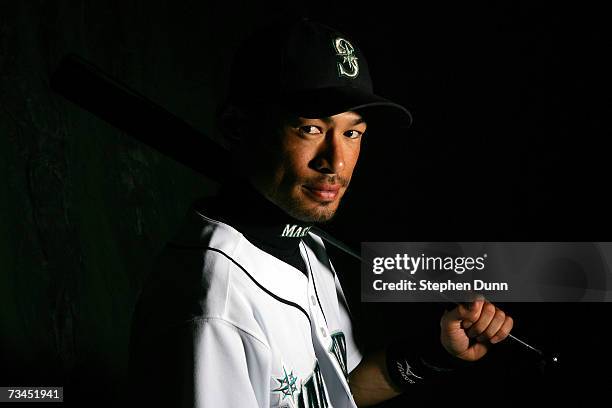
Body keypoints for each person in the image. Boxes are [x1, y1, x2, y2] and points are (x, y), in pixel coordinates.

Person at [127, 18, 514, 407]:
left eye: (352, 133)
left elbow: (331, 396)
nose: (336, 163)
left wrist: (433, 354)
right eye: (311, 129)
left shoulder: (304, 239)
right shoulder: (215, 311)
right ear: (236, 127)